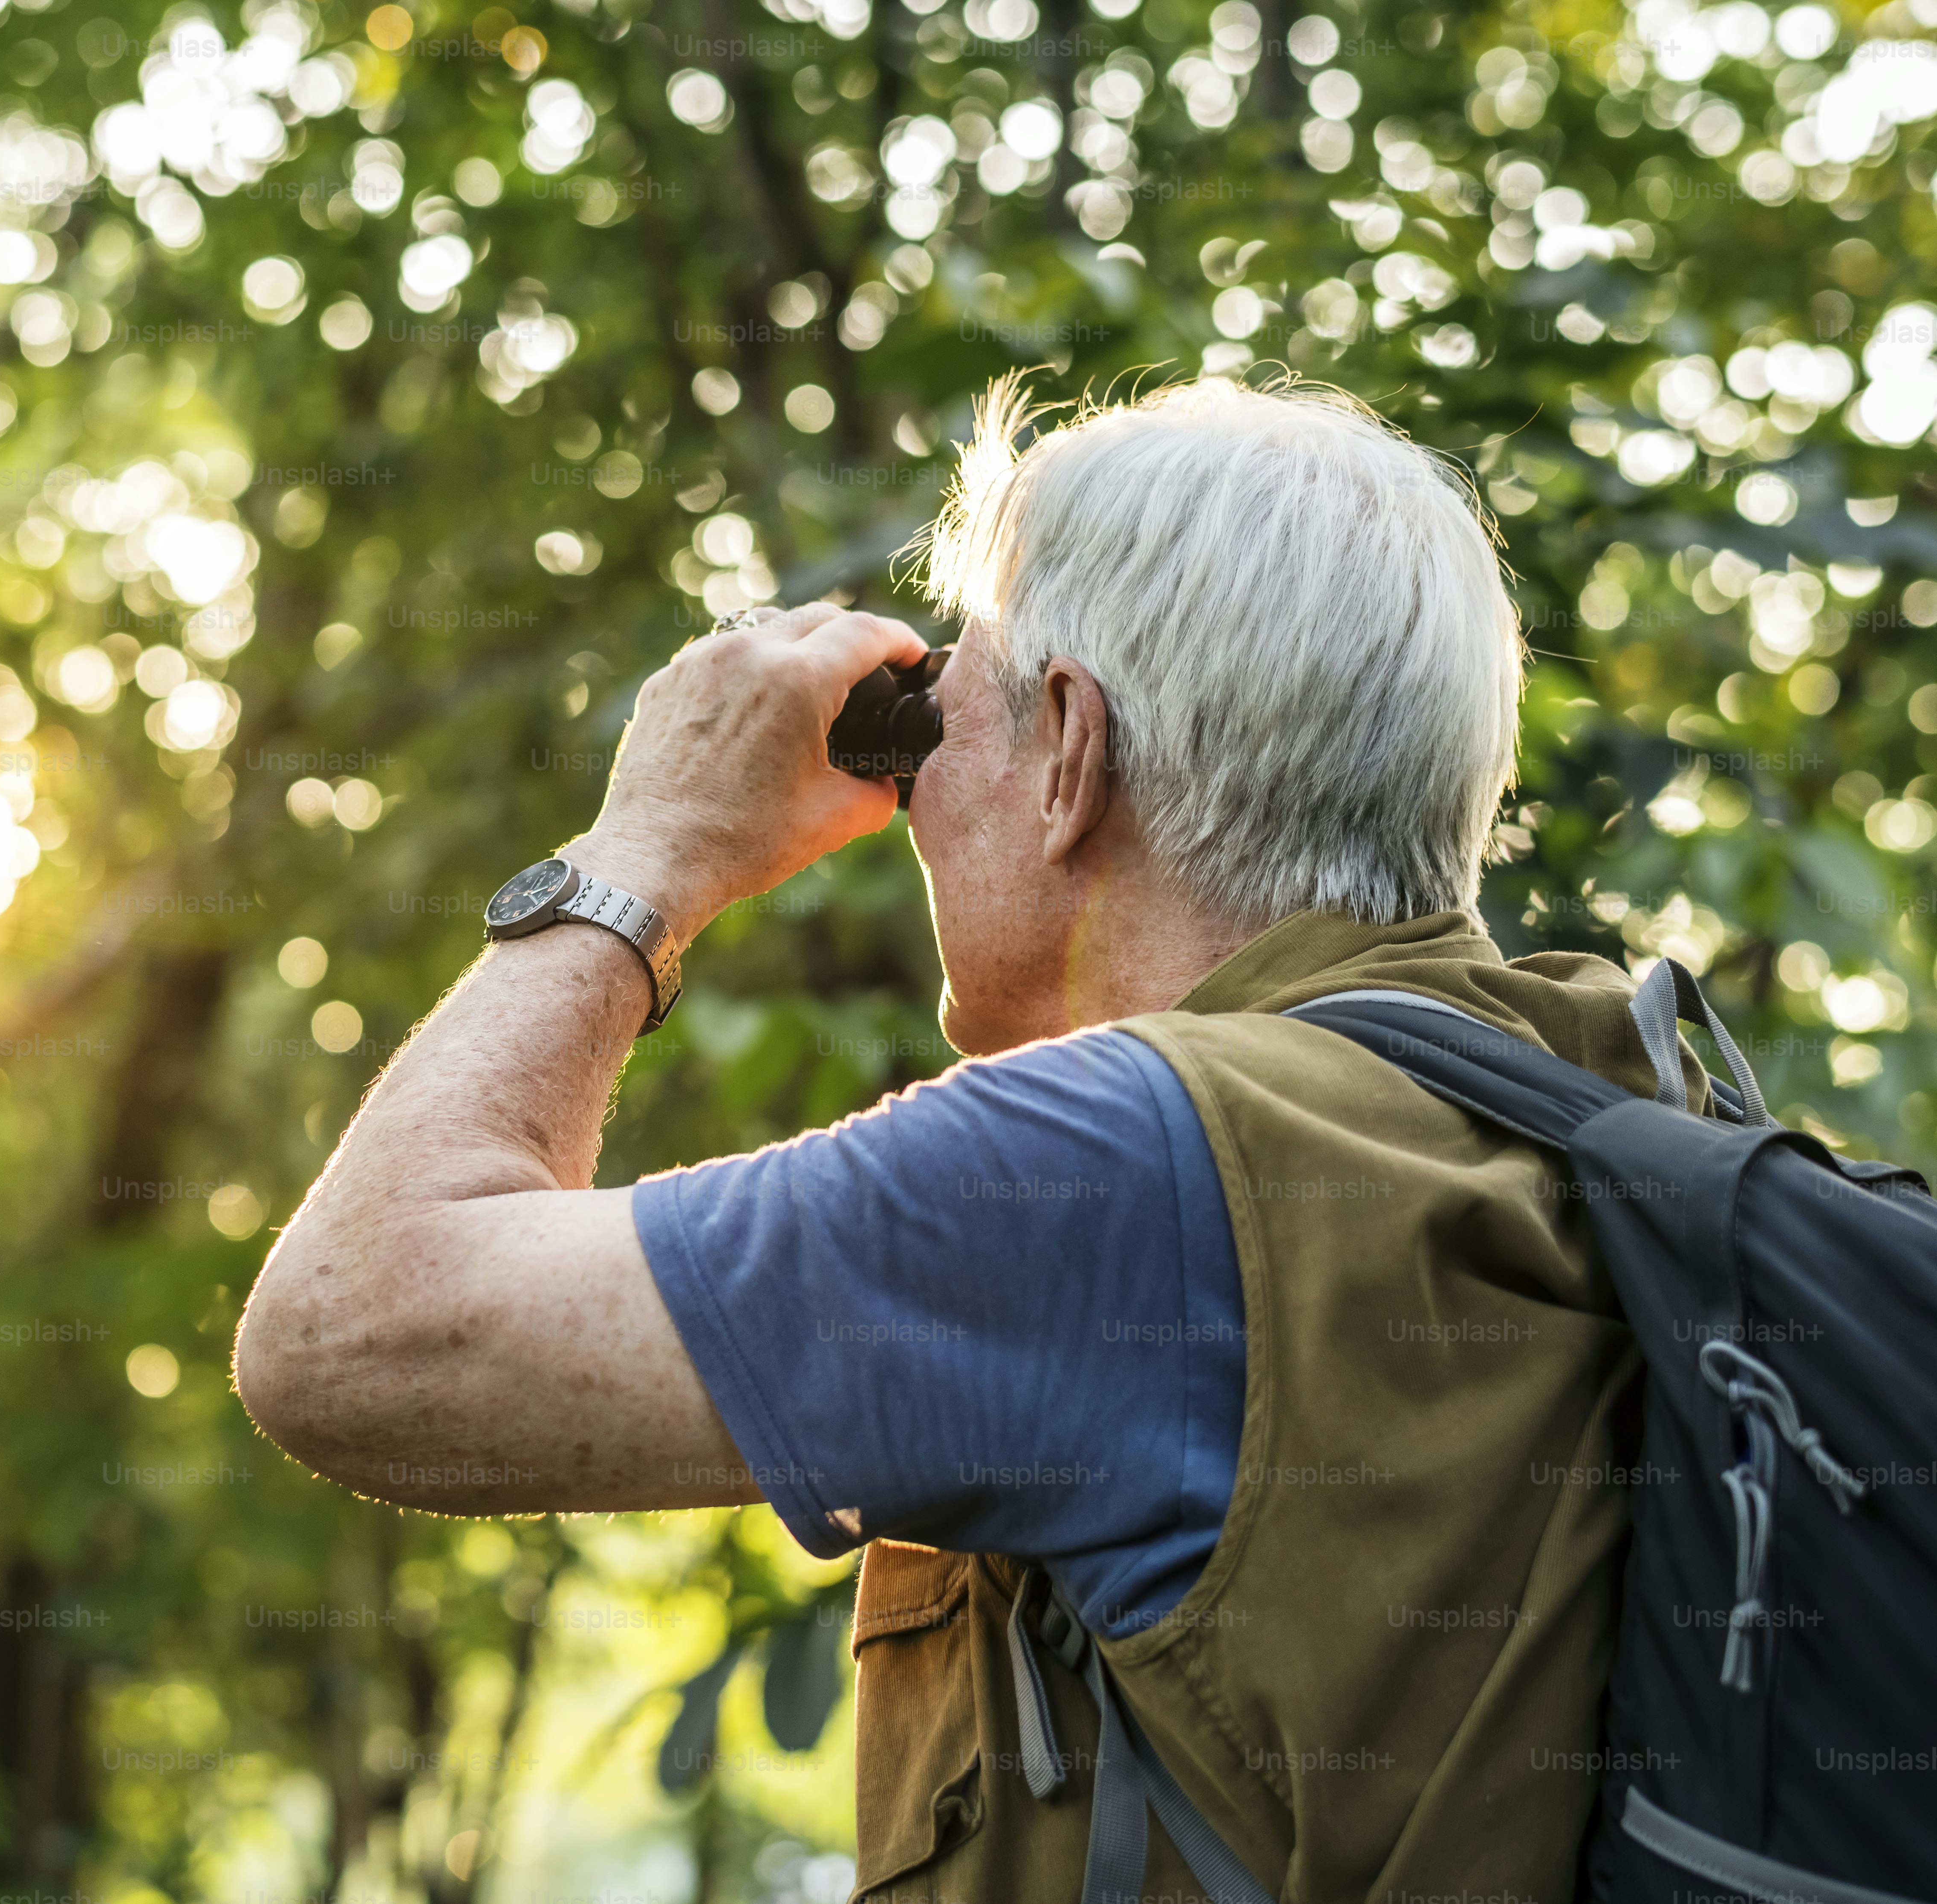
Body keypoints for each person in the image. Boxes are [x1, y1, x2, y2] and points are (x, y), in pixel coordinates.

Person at [234, 377, 1690, 1898]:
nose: (914, 789)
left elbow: (352, 1334)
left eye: (949, 703)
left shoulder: (1122, 1166)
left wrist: (646, 849)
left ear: (1071, 747)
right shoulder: (1603, 1098)